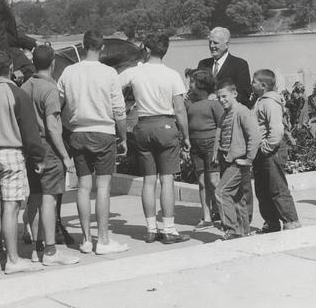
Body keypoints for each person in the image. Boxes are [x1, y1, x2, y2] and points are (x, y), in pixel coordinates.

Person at [57, 30, 129, 255]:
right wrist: (124, 137)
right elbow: (119, 111)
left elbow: (58, 104)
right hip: (104, 133)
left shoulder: (69, 72)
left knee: (83, 187)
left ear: (83, 45)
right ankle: (104, 239)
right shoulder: (109, 73)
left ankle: (86, 239)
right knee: (103, 188)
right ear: (103, 48)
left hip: (78, 133)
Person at [0, 50, 46, 274]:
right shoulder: (16, 93)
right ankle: (13, 260)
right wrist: (38, 157)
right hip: (11, 153)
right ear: (10, 67)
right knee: (11, 208)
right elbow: (30, 131)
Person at [119, 33, 191, 245]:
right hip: (166, 124)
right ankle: (168, 229)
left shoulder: (135, 72)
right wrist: (186, 136)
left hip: (143, 125)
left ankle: (151, 228)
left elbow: (113, 86)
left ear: (147, 49)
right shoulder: (172, 75)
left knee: (148, 181)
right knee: (167, 180)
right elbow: (179, 109)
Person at [21, 45, 80, 265]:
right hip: (48, 148)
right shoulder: (50, 89)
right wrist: (65, 156)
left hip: (31, 148)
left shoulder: (25, 86)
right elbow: (53, 127)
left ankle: (37, 250)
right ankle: (51, 251)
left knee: (34, 198)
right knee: (49, 199)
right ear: (53, 63)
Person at [250, 69, 301, 233]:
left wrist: (266, 147)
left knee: (277, 187)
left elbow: (276, 130)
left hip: (271, 152)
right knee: (262, 189)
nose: (251, 84)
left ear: (263, 85)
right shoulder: (261, 100)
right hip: (262, 152)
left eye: (254, 81)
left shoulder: (269, 103)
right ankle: (271, 222)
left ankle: (291, 220)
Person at [214, 80, 261, 240]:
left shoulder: (242, 111)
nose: (222, 100)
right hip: (228, 161)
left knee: (221, 192)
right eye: (219, 97)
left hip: (239, 162)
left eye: (225, 96)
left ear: (234, 94)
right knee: (237, 196)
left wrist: (249, 159)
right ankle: (243, 230)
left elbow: (254, 136)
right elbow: (221, 136)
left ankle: (232, 230)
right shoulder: (226, 114)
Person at [184, 69, 224, 231]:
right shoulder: (189, 102)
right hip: (195, 145)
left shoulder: (214, 103)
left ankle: (224, 216)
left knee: (215, 181)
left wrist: (218, 147)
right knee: (201, 182)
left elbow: (222, 124)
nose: (189, 84)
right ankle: (206, 217)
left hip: (211, 144)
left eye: (192, 82)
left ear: (201, 84)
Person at [196, 27, 254, 108]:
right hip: (206, 114)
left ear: (226, 44)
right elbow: (196, 89)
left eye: (215, 43)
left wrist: (219, 98)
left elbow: (244, 95)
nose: (212, 46)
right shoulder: (203, 64)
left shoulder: (240, 65)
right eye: (210, 42)